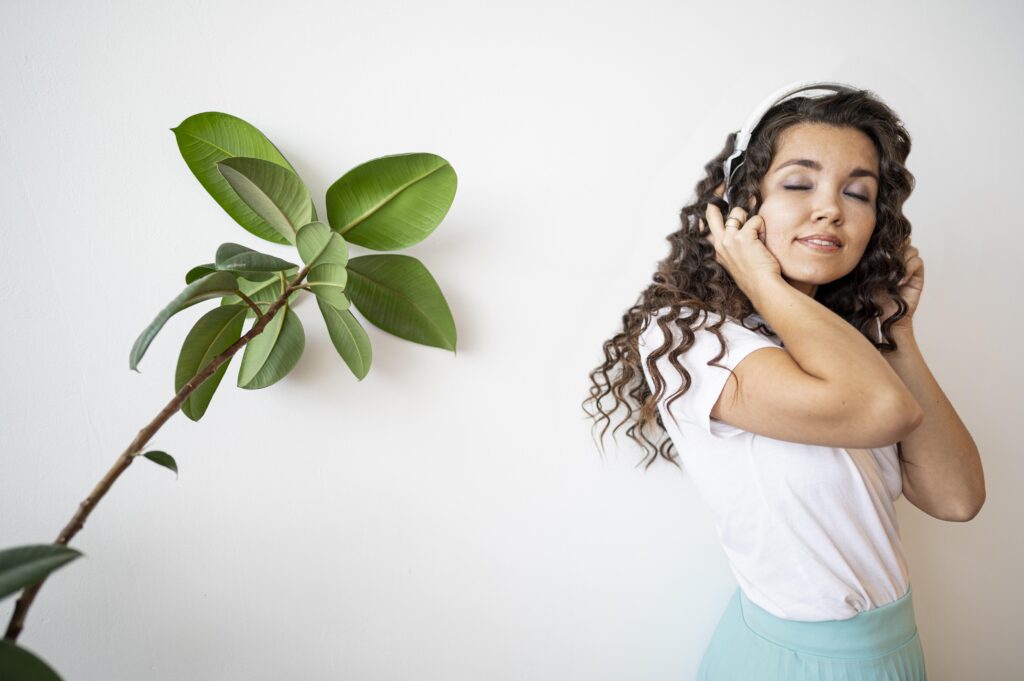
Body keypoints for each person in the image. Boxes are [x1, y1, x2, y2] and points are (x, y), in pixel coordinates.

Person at [581, 84, 984, 679]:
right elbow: (881, 411)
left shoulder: (846, 342)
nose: (831, 209)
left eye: (858, 193)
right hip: (795, 663)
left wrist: (895, 328)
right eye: (799, 183)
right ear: (740, 203)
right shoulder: (692, 338)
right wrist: (758, 276)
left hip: (893, 649)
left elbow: (958, 499)